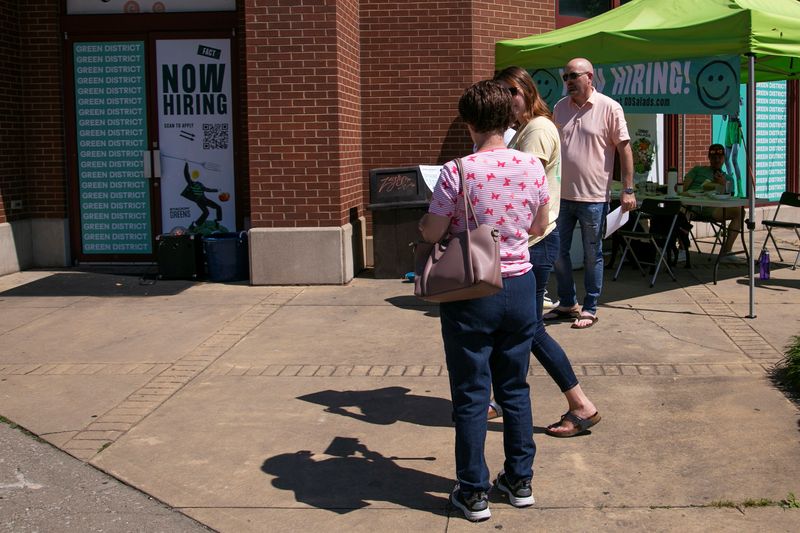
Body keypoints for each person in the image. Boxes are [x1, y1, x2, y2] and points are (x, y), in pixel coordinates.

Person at [419, 80, 549, 522]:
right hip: (521, 285)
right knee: (515, 387)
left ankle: (473, 490)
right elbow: (538, 225)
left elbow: (434, 232)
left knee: (472, 392)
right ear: (511, 118)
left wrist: (428, 226)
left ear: (469, 121)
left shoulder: (458, 171)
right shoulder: (532, 166)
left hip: (473, 289)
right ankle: (520, 480)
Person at [491, 66, 600, 438]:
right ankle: (503, 398)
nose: (505, 99)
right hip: (529, 240)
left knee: (529, 326)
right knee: (517, 325)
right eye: (499, 93)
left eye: (510, 92)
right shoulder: (522, 130)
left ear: (525, 90)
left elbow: (521, 190)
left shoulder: (537, 129)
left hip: (535, 242)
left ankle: (581, 404)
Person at [548, 57, 635, 329]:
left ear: (590, 77)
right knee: (557, 252)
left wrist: (628, 189)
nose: (569, 81)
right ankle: (567, 303)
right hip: (562, 196)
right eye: (565, 77)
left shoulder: (609, 107)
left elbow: (625, 150)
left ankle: (591, 306)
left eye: (573, 76)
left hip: (594, 198)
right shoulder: (560, 108)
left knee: (591, 254)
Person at [682, 143, 744, 256]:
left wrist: (723, 185)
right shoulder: (698, 170)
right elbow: (684, 187)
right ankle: (682, 249)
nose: (716, 160)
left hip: (713, 209)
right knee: (682, 210)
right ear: (709, 157)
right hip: (692, 205)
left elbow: (730, 198)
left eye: (719, 157)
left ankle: (726, 251)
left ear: (724, 158)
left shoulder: (728, 178)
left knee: (740, 212)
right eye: (714, 157)